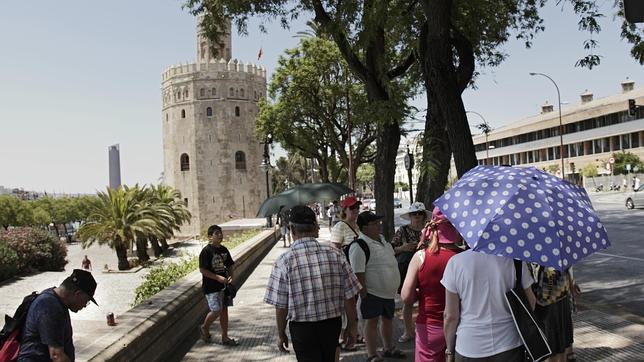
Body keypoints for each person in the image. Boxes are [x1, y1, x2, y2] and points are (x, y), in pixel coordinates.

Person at [264, 205, 361, 361]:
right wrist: (352, 326)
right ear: (316, 227)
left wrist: (281, 333)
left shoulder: (284, 261)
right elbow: (349, 296)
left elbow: (281, 305)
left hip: (302, 329)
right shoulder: (336, 255)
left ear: (292, 229)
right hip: (331, 326)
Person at [441, 247, 536, 361]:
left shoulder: (455, 262)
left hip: (469, 346)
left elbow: (450, 316)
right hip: (509, 343)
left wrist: (449, 350)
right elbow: (531, 302)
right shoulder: (515, 260)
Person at [400, 207, 463, 361]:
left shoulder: (420, 257)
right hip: (461, 326)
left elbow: (406, 297)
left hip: (429, 327)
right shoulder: (463, 258)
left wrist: (420, 292)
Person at [350, 211, 405, 361]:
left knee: (388, 319)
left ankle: (388, 348)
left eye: (378, 222)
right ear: (364, 228)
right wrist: (363, 292)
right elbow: (358, 272)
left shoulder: (383, 240)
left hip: (388, 293)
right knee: (371, 322)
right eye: (374, 224)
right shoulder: (359, 246)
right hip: (372, 293)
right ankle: (372, 354)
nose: (379, 225)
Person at [18, 269, 98, 361]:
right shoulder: (49, 306)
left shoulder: (56, 301)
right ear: (78, 294)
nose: (84, 306)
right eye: (86, 301)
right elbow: (56, 355)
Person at [391, 201, 430, 343]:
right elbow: (391, 249)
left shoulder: (430, 230)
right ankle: (408, 332)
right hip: (407, 270)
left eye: (420, 213)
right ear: (410, 216)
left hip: (427, 269)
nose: (417, 216)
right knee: (407, 301)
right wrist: (403, 248)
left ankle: (424, 331)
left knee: (426, 302)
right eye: (414, 213)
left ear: (425, 215)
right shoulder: (402, 230)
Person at [329, 195, 362, 352]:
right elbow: (334, 251)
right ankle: (344, 338)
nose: (355, 210)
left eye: (357, 207)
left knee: (355, 306)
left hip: (359, 272)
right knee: (346, 308)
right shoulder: (340, 227)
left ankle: (355, 334)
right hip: (345, 273)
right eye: (352, 208)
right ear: (344, 210)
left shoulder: (359, 226)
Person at [529, 265, 581, 362]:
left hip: (548, 300)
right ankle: (568, 353)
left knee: (554, 344)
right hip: (559, 293)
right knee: (559, 343)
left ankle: (568, 353)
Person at [198, 224, 239, 346]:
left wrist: (231, 275)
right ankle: (205, 327)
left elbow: (230, 264)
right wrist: (217, 278)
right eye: (217, 233)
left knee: (224, 311)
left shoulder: (224, 250)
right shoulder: (206, 251)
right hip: (211, 287)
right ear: (210, 237)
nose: (220, 235)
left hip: (224, 287)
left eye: (221, 233)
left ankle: (225, 337)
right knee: (216, 310)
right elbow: (203, 270)